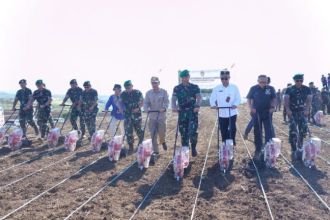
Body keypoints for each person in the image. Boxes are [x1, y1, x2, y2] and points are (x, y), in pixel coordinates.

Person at [172, 70, 201, 157]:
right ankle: (185, 150)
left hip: (192, 112)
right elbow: (173, 99)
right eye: (183, 77)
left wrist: (197, 105)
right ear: (181, 78)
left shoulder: (195, 87)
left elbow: (199, 97)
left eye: (187, 76)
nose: (185, 78)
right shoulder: (177, 88)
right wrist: (174, 107)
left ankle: (193, 147)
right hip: (182, 113)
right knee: (183, 133)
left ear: (189, 77)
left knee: (193, 131)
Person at [247, 75, 276, 160]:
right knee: (257, 132)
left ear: (267, 81)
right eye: (261, 82)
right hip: (257, 113)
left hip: (267, 112)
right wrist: (251, 108)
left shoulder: (271, 89)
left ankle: (268, 149)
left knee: (269, 131)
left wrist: (273, 107)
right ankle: (258, 149)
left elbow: (274, 98)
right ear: (258, 81)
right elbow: (249, 99)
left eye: (264, 82)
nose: (263, 84)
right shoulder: (253, 88)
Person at [210, 69, 241, 146]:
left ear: (229, 78)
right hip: (221, 113)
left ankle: (232, 141)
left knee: (232, 129)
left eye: (226, 78)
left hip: (232, 112)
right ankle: (224, 144)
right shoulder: (216, 88)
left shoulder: (234, 87)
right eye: (222, 78)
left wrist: (235, 104)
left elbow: (238, 98)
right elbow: (212, 98)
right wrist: (214, 105)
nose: (224, 80)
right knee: (223, 130)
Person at [284, 74, 312, 160]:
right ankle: (293, 149)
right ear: (294, 80)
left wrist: (307, 109)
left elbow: (309, 99)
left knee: (303, 130)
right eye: (297, 81)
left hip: (302, 112)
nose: (299, 82)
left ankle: (300, 146)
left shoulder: (306, 89)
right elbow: (286, 99)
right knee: (293, 130)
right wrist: (288, 109)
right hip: (292, 112)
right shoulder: (289, 89)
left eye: (301, 80)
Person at [144, 77, 170, 163]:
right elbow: (146, 103)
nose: (154, 84)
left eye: (155, 83)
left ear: (159, 83)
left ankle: (163, 141)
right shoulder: (148, 93)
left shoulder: (164, 92)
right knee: (153, 134)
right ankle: (156, 151)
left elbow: (167, 102)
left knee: (162, 132)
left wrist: (164, 108)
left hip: (161, 116)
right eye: (152, 83)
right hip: (152, 116)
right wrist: (146, 109)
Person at [120, 80, 144, 153]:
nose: (128, 88)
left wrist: (138, 108)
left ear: (132, 86)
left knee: (139, 130)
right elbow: (121, 103)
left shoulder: (138, 92)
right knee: (128, 131)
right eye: (126, 87)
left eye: (129, 87)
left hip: (137, 115)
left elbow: (142, 101)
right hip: (127, 115)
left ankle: (141, 143)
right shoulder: (123, 94)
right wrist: (121, 109)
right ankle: (131, 146)